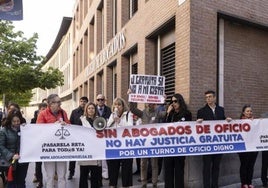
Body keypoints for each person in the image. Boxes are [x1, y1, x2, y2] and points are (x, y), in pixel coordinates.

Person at [128, 90, 166, 188]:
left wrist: (164, 100)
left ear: (155, 103)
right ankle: (143, 183)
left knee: (154, 164)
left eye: (153, 102)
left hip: (154, 142)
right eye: (149, 102)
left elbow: (166, 114)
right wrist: (131, 96)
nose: (151, 104)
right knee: (143, 164)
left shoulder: (158, 112)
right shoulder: (143, 113)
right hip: (144, 142)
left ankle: (154, 183)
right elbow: (132, 109)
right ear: (146, 103)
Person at [197, 90, 231, 188]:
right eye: (206, 97)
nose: (208, 99)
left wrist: (227, 121)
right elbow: (197, 129)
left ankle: (215, 185)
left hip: (218, 144)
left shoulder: (221, 110)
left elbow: (222, 123)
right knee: (206, 167)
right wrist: (198, 122)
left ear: (214, 98)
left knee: (216, 167)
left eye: (210, 96)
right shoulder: (201, 111)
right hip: (207, 144)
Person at [36, 94, 70, 188]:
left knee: (62, 176)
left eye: (60, 102)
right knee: (50, 176)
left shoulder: (63, 113)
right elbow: (38, 131)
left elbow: (70, 127)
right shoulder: (42, 114)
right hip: (49, 149)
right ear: (50, 103)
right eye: (58, 102)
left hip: (61, 149)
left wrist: (65, 124)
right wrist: (53, 126)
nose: (60, 104)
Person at [164, 93, 192, 188]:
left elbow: (187, 128)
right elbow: (164, 127)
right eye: (172, 102)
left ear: (180, 101)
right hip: (169, 147)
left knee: (179, 172)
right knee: (168, 172)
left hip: (180, 147)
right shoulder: (170, 114)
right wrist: (167, 113)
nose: (173, 103)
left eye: (175, 101)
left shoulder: (187, 113)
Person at [107, 97, 134, 188]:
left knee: (126, 168)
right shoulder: (112, 115)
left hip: (126, 145)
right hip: (114, 145)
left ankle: (126, 185)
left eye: (119, 105)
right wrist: (114, 117)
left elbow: (130, 127)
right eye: (115, 104)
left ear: (123, 106)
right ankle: (112, 184)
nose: (117, 106)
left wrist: (120, 121)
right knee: (113, 168)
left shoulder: (128, 114)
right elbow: (107, 127)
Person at [0, 109, 29, 188]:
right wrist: (11, 155)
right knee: (11, 183)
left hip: (23, 161)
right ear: (10, 121)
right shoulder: (4, 131)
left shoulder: (25, 129)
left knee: (21, 182)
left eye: (18, 121)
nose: (16, 123)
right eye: (14, 121)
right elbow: (1, 146)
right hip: (10, 162)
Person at [78, 102, 101, 188]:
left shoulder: (100, 120)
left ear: (95, 110)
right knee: (83, 175)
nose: (91, 110)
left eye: (93, 108)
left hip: (95, 151)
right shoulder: (81, 120)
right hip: (85, 151)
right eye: (89, 108)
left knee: (95, 175)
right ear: (86, 110)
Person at [68, 96, 88, 180]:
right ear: (79, 102)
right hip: (75, 137)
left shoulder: (89, 111)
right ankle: (71, 172)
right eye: (81, 101)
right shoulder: (74, 112)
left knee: (85, 156)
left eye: (84, 101)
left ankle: (86, 173)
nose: (83, 103)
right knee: (73, 156)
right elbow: (71, 123)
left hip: (86, 137)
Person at [238, 105, 257, 188]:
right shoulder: (239, 122)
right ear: (243, 113)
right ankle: (244, 183)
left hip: (253, 147)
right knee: (244, 165)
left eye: (250, 111)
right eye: (247, 111)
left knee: (251, 165)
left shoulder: (255, 122)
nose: (249, 113)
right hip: (243, 147)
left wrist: (256, 123)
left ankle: (249, 182)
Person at [31, 102, 48, 188]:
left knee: (49, 166)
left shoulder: (49, 120)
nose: (44, 111)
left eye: (46, 109)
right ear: (39, 110)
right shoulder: (33, 120)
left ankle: (49, 181)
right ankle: (40, 181)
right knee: (38, 166)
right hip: (38, 147)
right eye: (42, 109)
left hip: (48, 146)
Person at [96, 94, 112, 182]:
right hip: (96, 135)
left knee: (105, 156)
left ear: (104, 100)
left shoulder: (108, 109)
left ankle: (105, 173)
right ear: (96, 100)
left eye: (102, 99)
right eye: (98, 100)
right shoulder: (93, 109)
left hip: (105, 134)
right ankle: (97, 173)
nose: (100, 101)